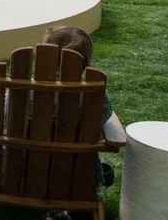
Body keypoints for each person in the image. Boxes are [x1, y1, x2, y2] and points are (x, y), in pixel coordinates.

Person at [41, 25, 116, 189]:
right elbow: (104, 116)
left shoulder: (24, 92)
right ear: (85, 61)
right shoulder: (96, 99)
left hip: (26, 174)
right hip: (79, 180)